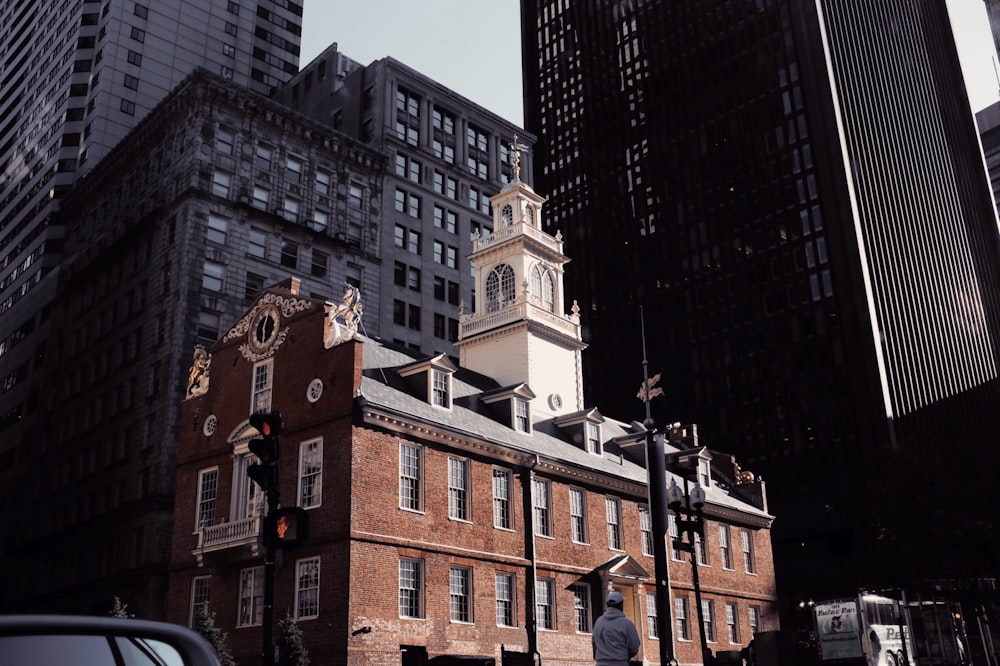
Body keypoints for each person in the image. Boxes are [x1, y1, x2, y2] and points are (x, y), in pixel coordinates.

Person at [593, 590, 642, 666]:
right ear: (621, 605)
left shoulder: (598, 622)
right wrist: (626, 655)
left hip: (601, 663)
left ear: (607, 605)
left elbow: (594, 644)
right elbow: (634, 646)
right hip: (620, 662)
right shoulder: (627, 624)